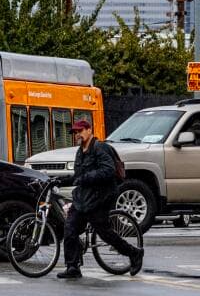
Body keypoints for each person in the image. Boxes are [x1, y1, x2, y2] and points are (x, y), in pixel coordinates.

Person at [57, 119, 143, 279]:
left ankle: (134, 253)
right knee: (70, 229)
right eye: (75, 132)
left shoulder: (100, 148)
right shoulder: (80, 151)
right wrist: (60, 180)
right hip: (83, 197)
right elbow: (78, 176)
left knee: (104, 232)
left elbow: (108, 170)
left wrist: (86, 178)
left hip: (102, 196)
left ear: (89, 130)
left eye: (80, 131)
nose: (77, 135)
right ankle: (72, 267)